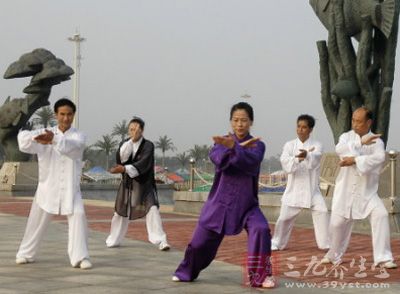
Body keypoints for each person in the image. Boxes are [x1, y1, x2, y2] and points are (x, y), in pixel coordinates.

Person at [173, 102, 275, 288]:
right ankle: (186, 271)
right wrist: (230, 147)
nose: (240, 124)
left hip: (247, 205)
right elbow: (217, 159)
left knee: (260, 229)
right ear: (230, 122)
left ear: (251, 122)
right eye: (236, 120)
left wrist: (236, 149)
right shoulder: (221, 142)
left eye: (244, 120)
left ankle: (260, 276)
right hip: (220, 203)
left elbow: (251, 162)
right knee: (198, 244)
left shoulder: (257, 145)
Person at [15, 98, 92, 269]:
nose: (66, 118)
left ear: (73, 115)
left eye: (69, 114)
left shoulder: (78, 136)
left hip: (71, 190)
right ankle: (25, 253)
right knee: (36, 222)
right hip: (47, 188)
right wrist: (38, 138)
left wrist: (53, 140)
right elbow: (22, 141)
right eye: (62, 114)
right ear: (56, 115)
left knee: (78, 216)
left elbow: (73, 148)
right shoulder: (46, 132)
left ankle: (80, 257)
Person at [321, 107, 397, 269]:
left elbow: (376, 160)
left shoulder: (377, 141)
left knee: (381, 215)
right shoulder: (345, 137)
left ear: (369, 122)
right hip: (345, 191)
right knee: (336, 224)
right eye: (353, 120)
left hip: (367, 192)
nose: (355, 124)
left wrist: (355, 160)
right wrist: (360, 143)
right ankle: (333, 255)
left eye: (359, 121)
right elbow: (340, 150)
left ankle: (383, 258)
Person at [106, 117, 170, 251]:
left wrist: (124, 169)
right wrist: (129, 143)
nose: (133, 131)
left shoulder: (148, 145)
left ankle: (161, 241)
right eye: (131, 129)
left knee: (152, 209)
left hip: (144, 184)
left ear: (142, 130)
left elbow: (144, 163)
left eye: (136, 129)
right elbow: (121, 159)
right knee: (120, 212)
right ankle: (113, 239)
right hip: (128, 184)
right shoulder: (125, 143)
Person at [271, 114, 330, 251]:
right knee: (284, 218)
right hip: (293, 190)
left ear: (310, 129)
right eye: (298, 126)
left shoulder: (317, 145)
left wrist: (308, 155)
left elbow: (315, 160)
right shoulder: (289, 145)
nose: (300, 130)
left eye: (304, 127)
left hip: (312, 190)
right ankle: (277, 242)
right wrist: (298, 159)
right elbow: (286, 164)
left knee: (322, 211)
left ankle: (326, 243)